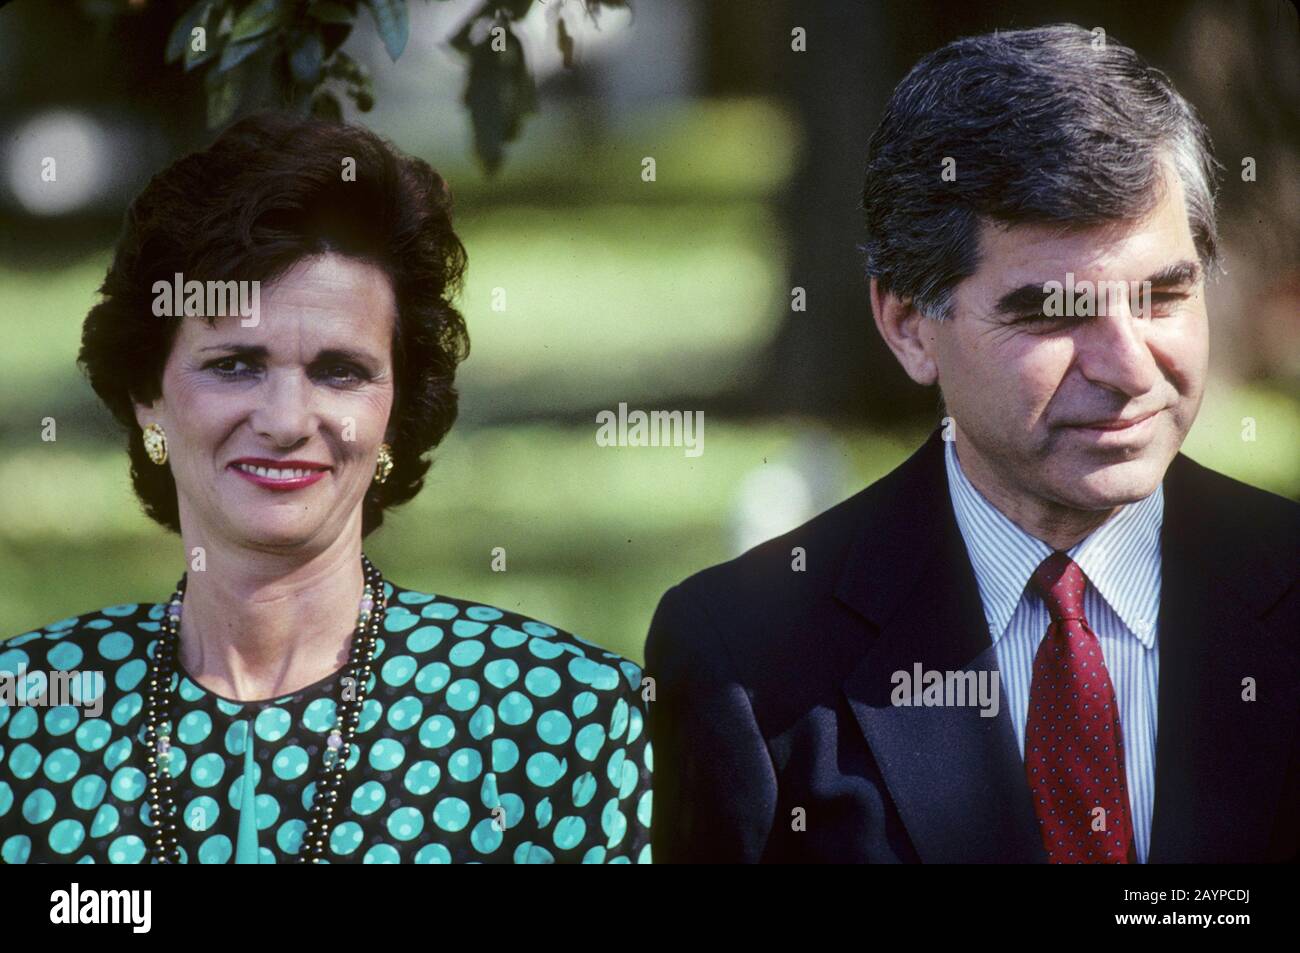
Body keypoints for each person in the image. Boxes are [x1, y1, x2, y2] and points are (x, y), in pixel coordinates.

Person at [645, 24, 1298, 863]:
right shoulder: (744, 658)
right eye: (1054, 313)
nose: (1130, 367)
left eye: (1162, 296)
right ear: (909, 325)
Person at [0, 113, 651, 864]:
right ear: (149, 393)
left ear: (397, 412)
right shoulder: (27, 712)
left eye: (339, 370)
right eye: (234, 363)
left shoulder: (557, 717)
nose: (284, 421)